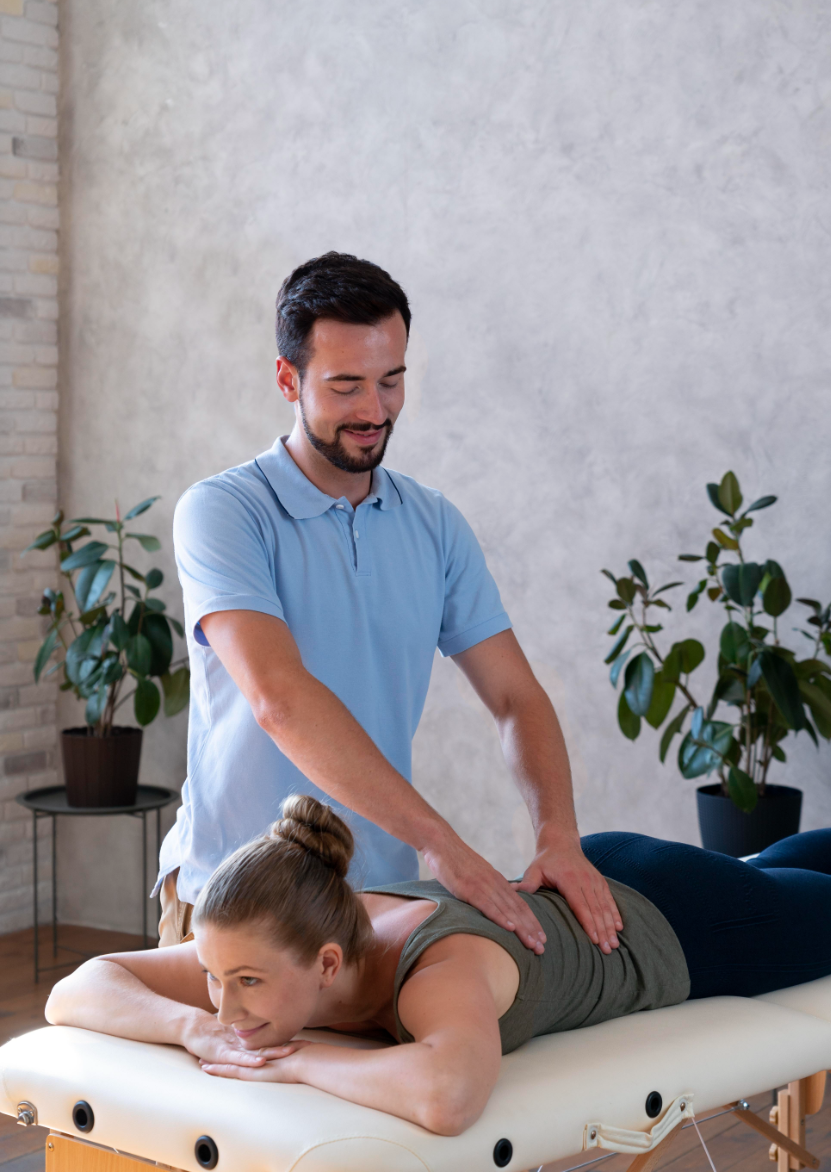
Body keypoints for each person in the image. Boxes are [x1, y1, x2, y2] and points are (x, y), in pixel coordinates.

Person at [155, 251, 622, 957]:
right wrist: (442, 844)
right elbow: (276, 698)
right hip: (235, 901)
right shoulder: (224, 512)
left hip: (373, 897)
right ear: (288, 379)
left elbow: (515, 697)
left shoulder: (434, 525)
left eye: (390, 381)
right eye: (344, 387)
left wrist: (557, 834)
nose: (373, 412)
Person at [50, 796, 831, 1137]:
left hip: (691, 926)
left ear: (329, 962)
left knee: (829, 907)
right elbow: (76, 989)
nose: (227, 1005)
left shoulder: (441, 971)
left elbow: (447, 1096)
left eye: (243, 986)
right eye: (215, 980)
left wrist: (297, 1061)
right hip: (609, 874)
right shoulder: (269, 943)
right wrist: (190, 1027)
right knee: (788, 868)